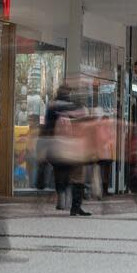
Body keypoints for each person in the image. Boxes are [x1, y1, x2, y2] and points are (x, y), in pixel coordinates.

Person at [44, 85, 91, 216]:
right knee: (76, 176)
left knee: (61, 172)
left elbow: (49, 126)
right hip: (76, 147)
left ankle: (64, 200)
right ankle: (75, 205)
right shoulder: (80, 111)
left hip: (61, 145)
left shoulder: (56, 109)